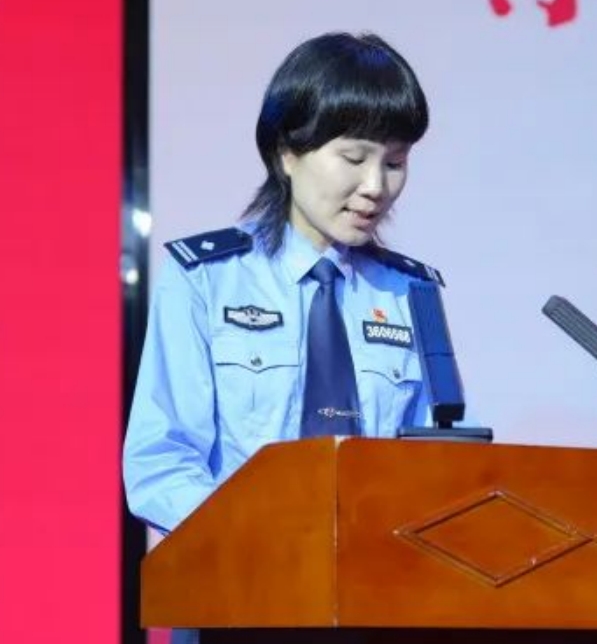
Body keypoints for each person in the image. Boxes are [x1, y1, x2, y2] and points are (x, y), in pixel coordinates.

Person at [124, 31, 455, 538]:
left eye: (394, 163)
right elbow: (161, 463)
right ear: (286, 153)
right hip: (240, 572)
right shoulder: (205, 279)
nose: (375, 186)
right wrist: (264, 540)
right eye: (354, 159)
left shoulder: (412, 293)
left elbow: (445, 462)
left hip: (375, 577)